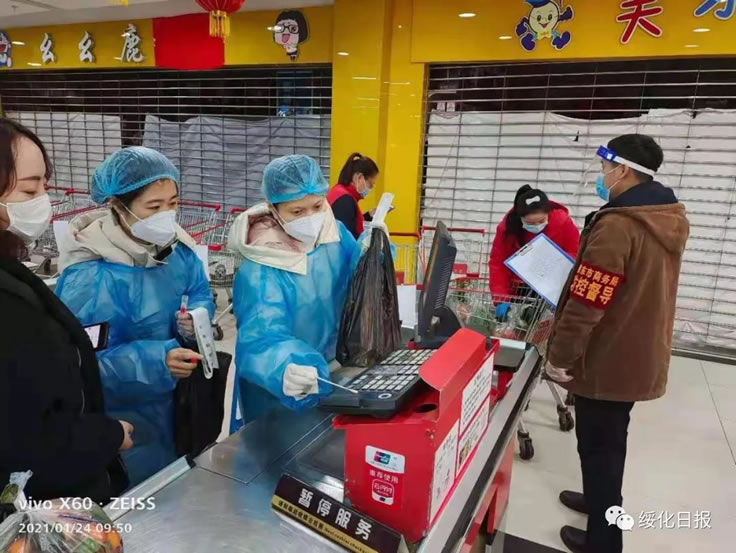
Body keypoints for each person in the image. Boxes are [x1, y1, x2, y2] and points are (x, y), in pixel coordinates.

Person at [545, 134, 689, 553]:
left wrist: (559, 356)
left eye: (605, 167)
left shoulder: (618, 226)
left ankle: (604, 541)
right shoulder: (664, 216)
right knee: (607, 442)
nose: (601, 175)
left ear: (623, 170)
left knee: (600, 450)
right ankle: (597, 501)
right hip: (635, 351)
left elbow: (588, 303)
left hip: (608, 358)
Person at [55, 147, 215, 487]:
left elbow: (199, 290)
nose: (166, 216)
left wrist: (195, 319)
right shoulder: (91, 275)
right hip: (125, 420)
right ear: (118, 206)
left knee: (177, 483)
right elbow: (81, 363)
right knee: (138, 497)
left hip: (179, 406)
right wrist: (157, 361)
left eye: (173, 203)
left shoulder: (176, 250)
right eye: (153, 207)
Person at [0, 118, 131, 503]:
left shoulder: (11, 271)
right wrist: (106, 437)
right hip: (42, 501)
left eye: (45, 183)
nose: (44, 197)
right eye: (30, 188)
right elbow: (24, 433)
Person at [228, 154, 362, 422]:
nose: (311, 218)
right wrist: (285, 366)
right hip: (281, 390)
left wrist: (373, 250)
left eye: (317, 206)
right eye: (297, 212)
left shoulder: (333, 234)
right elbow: (260, 338)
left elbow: (355, 271)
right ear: (274, 209)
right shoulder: (262, 267)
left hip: (332, 371)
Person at [488, 184, 579, 317]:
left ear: (548, 213)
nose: (537, 226)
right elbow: (498, 263)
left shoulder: (562, 222)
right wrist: (501, 298)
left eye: (541, 221)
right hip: (520, 288)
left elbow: (576, 253)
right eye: (530, 223)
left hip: (554, 288)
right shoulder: (507, 228)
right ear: (520, 218)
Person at [327, 152, 379, 239]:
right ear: (359, 178)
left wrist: (369, 215)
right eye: (370, 185)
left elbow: (352, 222)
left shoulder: (339, 192)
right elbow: (348, 238)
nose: (370, 189)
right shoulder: (345, 200)